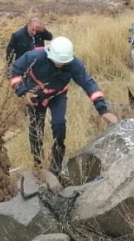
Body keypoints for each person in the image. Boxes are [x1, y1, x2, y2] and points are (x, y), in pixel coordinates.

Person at [9, 36, 119, 176]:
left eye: (63, 62)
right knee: (36, 130)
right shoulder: (34, 57)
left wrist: (102, 110)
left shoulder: (74, 64)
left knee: (59, 124)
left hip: (57, 95)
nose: (60, 65)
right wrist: (23, 92)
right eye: (57, 62)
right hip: (35, 96)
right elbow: (14, 70)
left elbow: (88, 83)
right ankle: (38, 163)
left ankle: (56, 166)